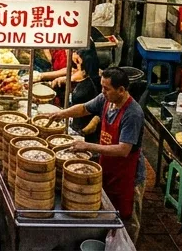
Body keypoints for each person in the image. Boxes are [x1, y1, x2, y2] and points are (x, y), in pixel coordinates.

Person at [45, 68, 145, 231]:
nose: (102, 92)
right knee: (108, 214)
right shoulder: (107, 100)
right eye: (102, 87)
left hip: (128, 176)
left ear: (121, 90)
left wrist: (87, 146)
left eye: (106, 89)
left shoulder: (132, 114)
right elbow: (84, 108)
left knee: (126, 223)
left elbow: (123, 150)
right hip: (109, 167)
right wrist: (61, 114)